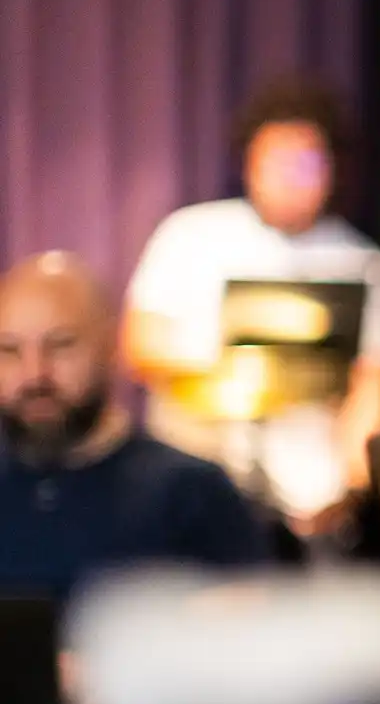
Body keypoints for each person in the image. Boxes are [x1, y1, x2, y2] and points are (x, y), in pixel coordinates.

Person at [122, 75, 380, 551]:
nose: (291, 178)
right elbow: (138, 345)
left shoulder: (363, 263)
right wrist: (232, 356)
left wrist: (352, 489)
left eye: (306, 164)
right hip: (199, 486)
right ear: (249, 164)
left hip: (311, 501)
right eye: (275, 162)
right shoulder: (191, 236)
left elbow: (372, 384)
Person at [0, 252, 272, 603]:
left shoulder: (192, 492)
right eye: (9, 350)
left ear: (111, 345)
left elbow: (248, 633)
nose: (35, 375)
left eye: (61, 345)